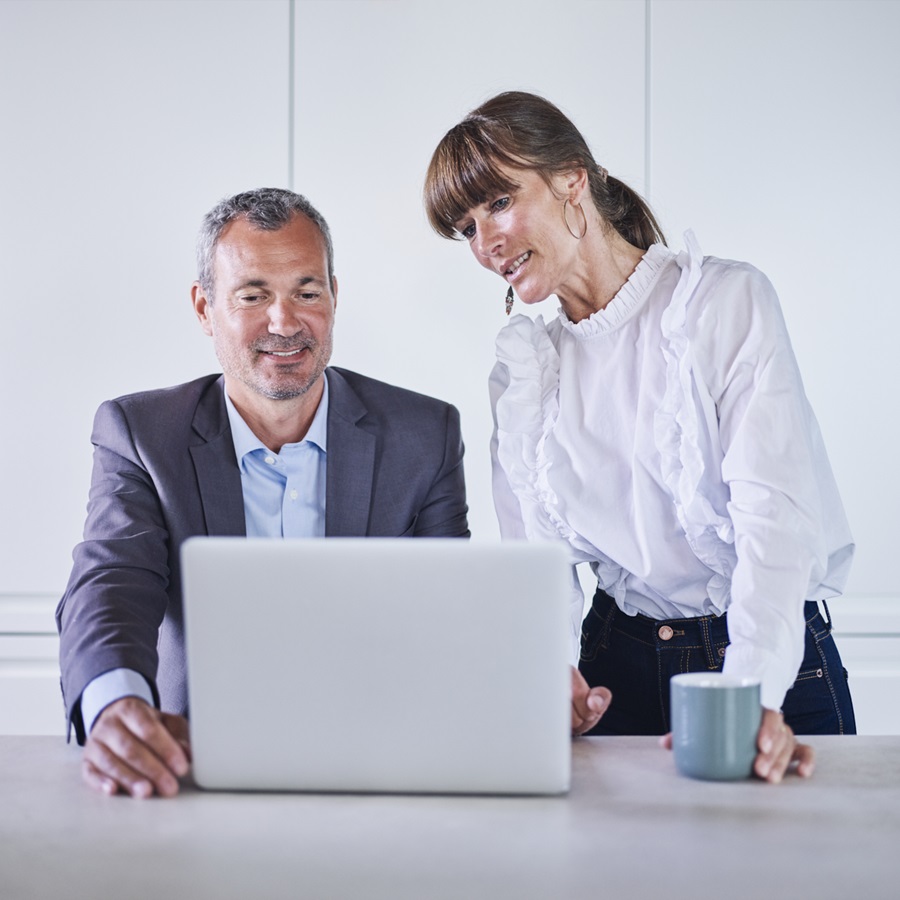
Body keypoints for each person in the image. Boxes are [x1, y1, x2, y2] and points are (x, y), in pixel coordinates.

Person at [423, 91, 856, 783]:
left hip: (770, 664)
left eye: (498, 203)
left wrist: (748, 691)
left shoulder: (722, 304)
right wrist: (552, 674)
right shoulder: (524, 374)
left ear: (572, 177)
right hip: (615, 669)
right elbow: (537, 568)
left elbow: (775, 525)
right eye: (466, 228)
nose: (485, 244)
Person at [57, 187, 470, 798]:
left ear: (335, 296)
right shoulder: (140, 434)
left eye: (307, 292)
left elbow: (454, 614)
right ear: (205, 309)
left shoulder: (424, 434)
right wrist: (116, 704)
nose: (285, 322)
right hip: (191, 771)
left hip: (379, 773)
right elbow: (112, 582)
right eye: (252, 296)